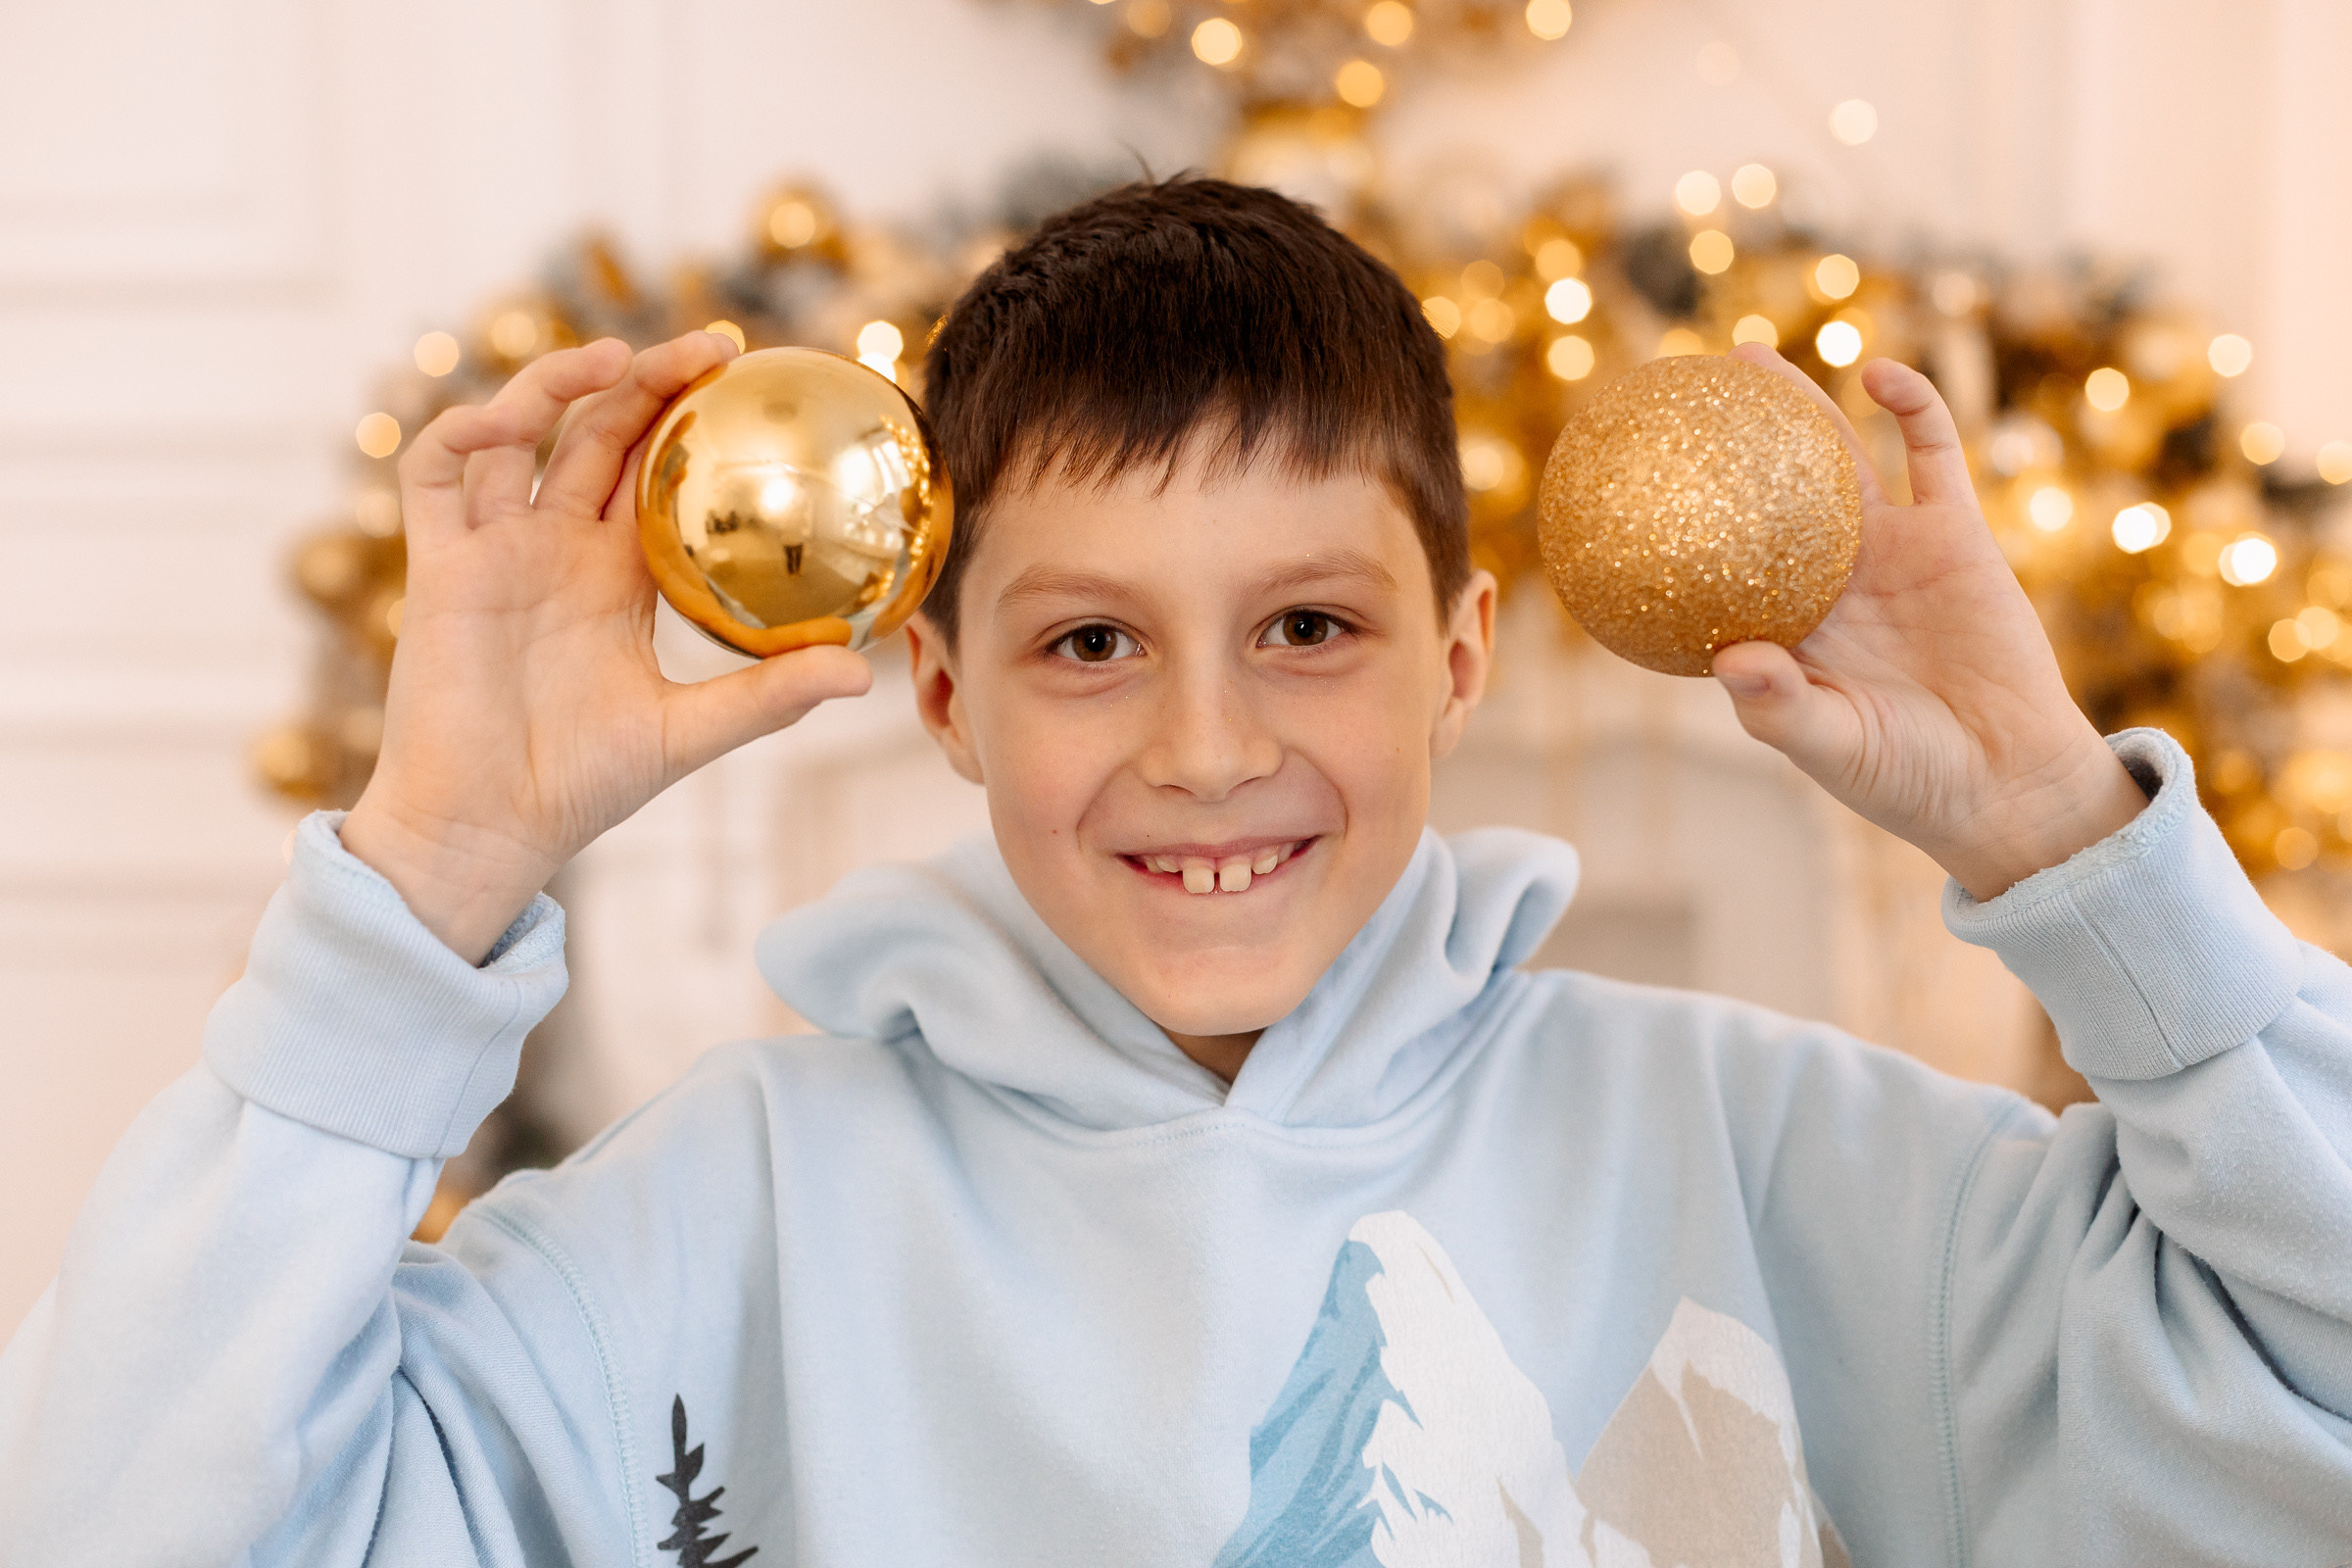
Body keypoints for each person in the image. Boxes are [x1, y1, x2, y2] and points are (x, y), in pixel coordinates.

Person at [3, 177, 2347, 1567]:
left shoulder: (1780, 1147)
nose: (1208, 748)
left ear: (1458, 656)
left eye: (1307, 628)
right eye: (1091, 642)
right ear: (944, 691)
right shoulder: (719, 1207)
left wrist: (2072, 844)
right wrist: (429, 874)